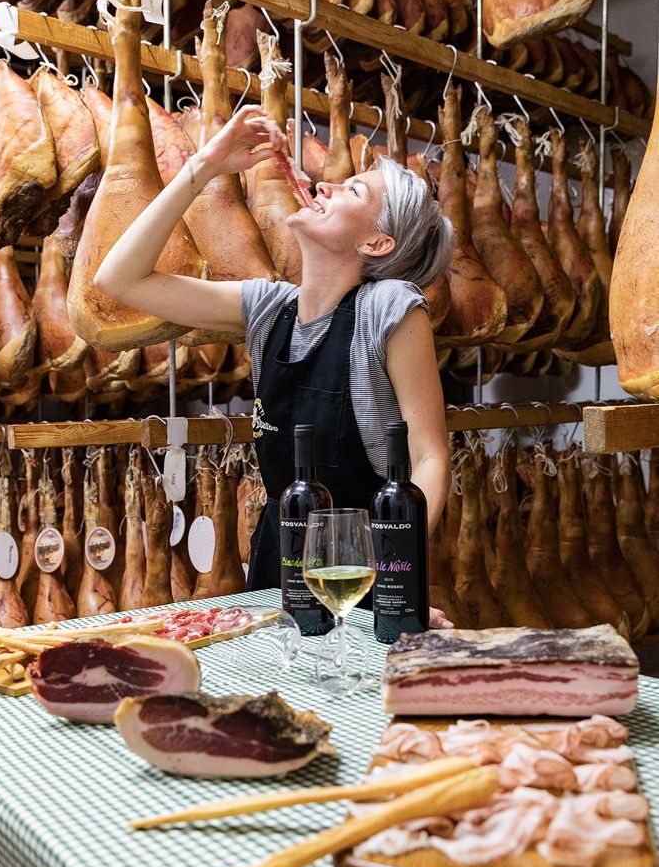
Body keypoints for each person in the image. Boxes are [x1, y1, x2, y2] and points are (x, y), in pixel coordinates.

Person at [94, 105, 454, 628]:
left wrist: (393, 577)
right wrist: (207, 165)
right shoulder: (268, 307)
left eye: (353, 191)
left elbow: (430, 458)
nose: (326, 187)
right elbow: (119, 280)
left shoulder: (389, 306)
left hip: (363, 571)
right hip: (278, 567)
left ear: (376, 244)